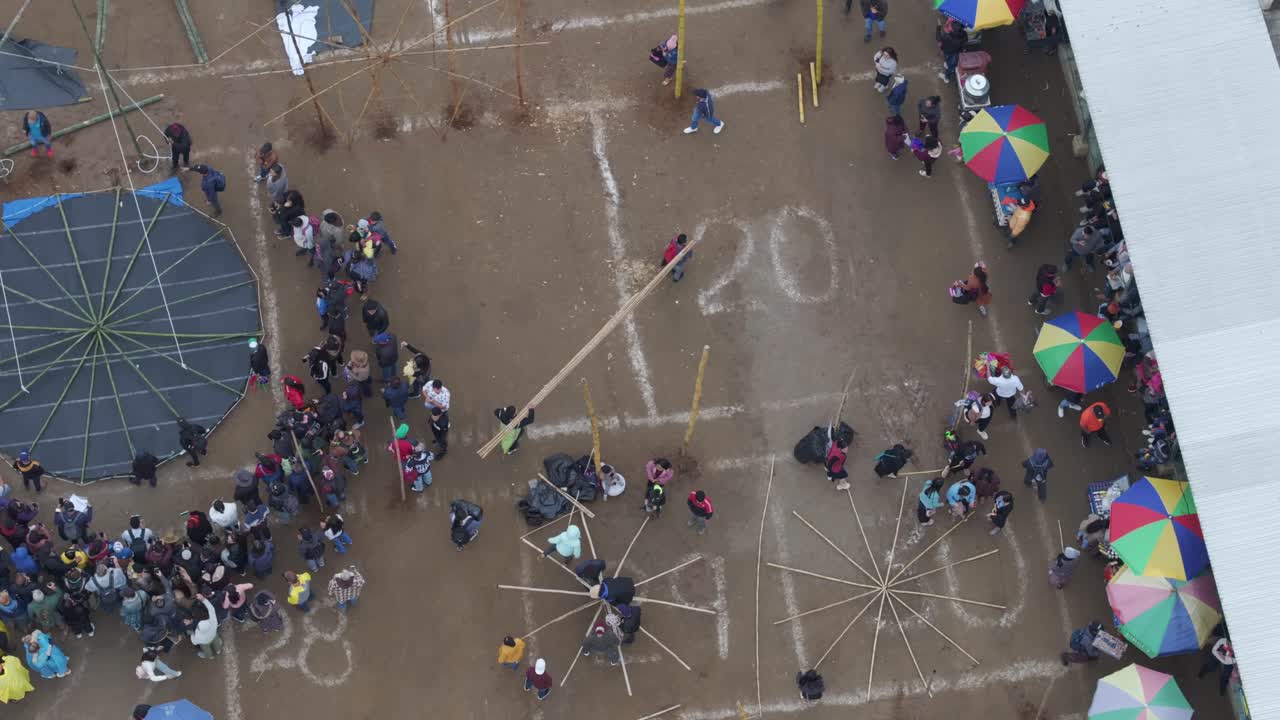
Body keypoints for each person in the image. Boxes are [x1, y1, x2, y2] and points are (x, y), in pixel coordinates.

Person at [936, 19, 968, 83]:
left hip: (948, 52)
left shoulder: (947, 36)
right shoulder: (964, 34)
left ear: (953, 29)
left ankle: (946, 77)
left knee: (951, 67)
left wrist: (939, 27)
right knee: (950, 62)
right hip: (957, 53)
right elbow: (965, 43)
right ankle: (948, 64)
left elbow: (938, 38)